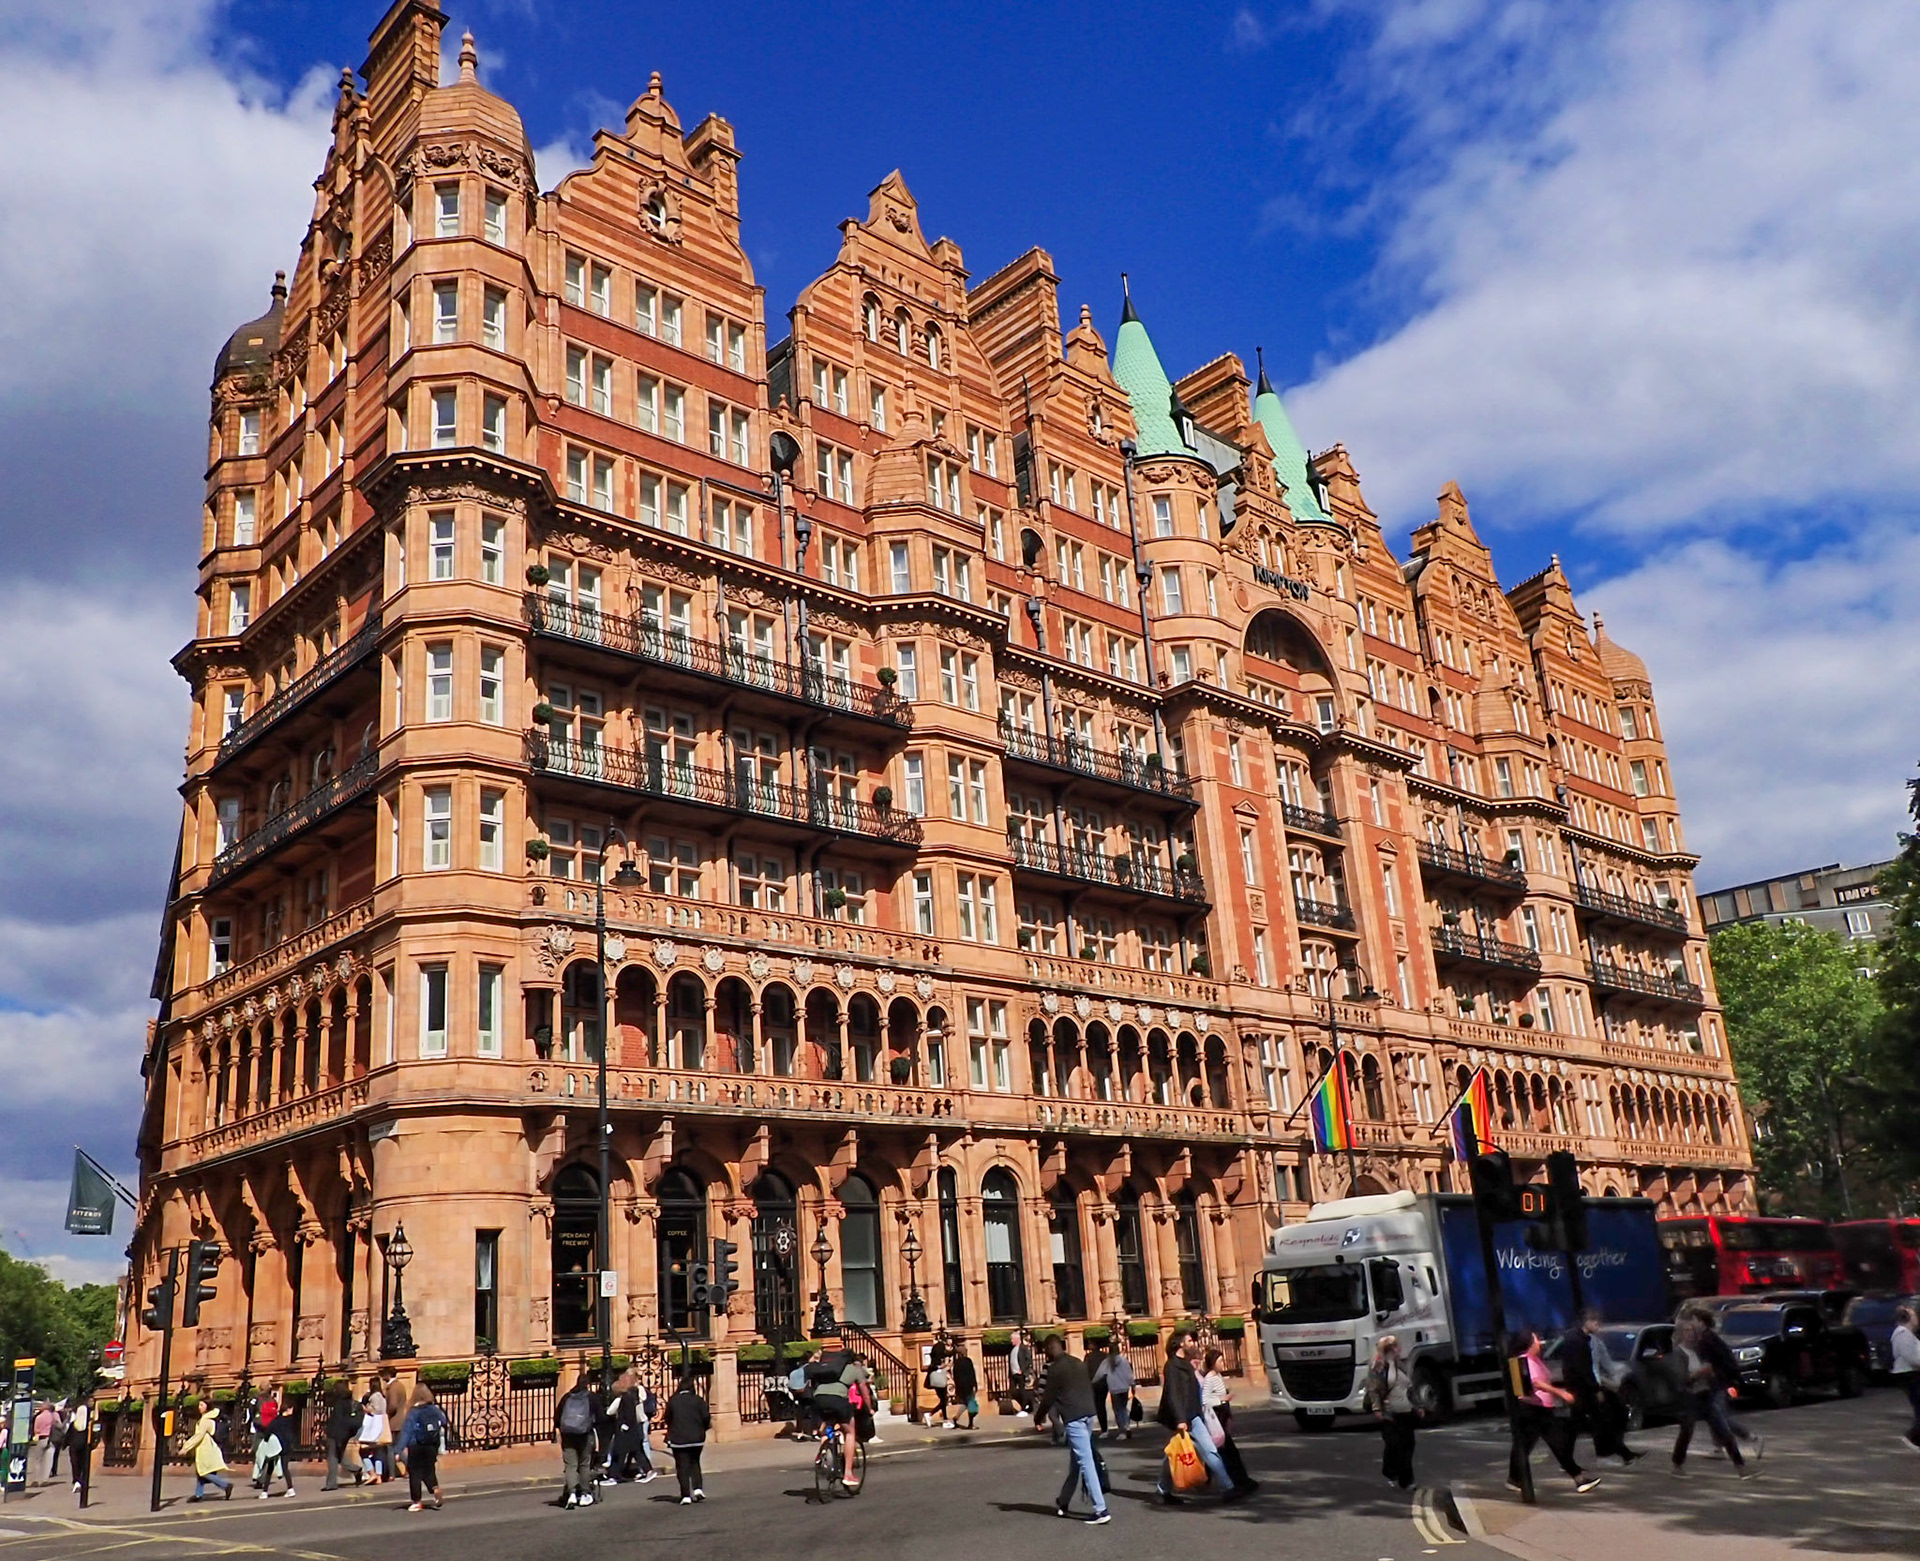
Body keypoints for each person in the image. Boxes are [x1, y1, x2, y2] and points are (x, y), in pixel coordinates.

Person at [1508, 1332, 1601, 1495]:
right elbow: (1537, 1383)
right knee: (1556, 1443)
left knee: (1524, 1446)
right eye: (1536, 1339)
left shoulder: (1534, 1359)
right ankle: (1579, 1479)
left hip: (1538, 1408)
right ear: (1530, 1343)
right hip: (1534, 1410)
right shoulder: (1527, 1360)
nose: (1540, 1342)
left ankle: (1513, 1479)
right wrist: (1561, 1393)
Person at [1032, 1335, 1111, 1525]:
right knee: (1077, 1462)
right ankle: (1064, 1500)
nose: (1045, 1354)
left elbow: (1048, 1398)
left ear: (1050, 1348)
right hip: (1088, 1414)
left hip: (1074, 1417)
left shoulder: (1055, 1369)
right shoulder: (1078, 1362)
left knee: (1086, 1462)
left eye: (1045, 1350)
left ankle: (1101, 1510)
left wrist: (1038, 1417)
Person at [1155, 1328, 1239, 1505]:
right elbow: (1173, 1394)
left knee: (1173, 1453)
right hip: (1186, 1417)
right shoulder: (1172, 1366)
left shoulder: (1184, 1364)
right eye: (1190, 1341)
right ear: (1180, 1343)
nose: (1192, 1344)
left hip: (1192, 1415)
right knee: (1210, 1451)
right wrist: (1180, 1420)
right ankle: (1228, 1487)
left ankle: (1163, 1490)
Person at [1669, 1308, 1755, 1478]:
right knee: (1686, 1432)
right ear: (1681, 1334)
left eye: (1692, 1331)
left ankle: (1741, 1468)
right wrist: (1698, 1374)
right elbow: (1680, 1379)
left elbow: (1713, 1367)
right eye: (1687, 1331)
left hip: (1705, 1396)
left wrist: (1711, 1374)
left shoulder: (1700, 1349)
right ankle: (1677, 1464)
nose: (1691, 1335)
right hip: (1689, 1399)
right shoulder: (1679, 1353)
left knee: (1724, 1431)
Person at [1560, 1310, 1640, 1466]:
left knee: (1594, 1422)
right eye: (1596, 1322)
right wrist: (1596, 1388)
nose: (1598, 1326)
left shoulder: (1579, 1339)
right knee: (1592, 1423)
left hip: (1581, 1388)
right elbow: (1584, 1368)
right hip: (1583, 1389)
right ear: (1587, 1321)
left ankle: (1621, 1454)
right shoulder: (1579, 1341)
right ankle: (1616, 1455)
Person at [1201, 1347, 1257, 1493]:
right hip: (1217, 1417)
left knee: (1225, 1451)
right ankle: (1238, 1481)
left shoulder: (1218, 1376)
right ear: (1213, 1362)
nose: (1223, 1363)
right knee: (1227, 1451)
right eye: (1220, 1361)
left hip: (1223, 1415)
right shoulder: (1210, 1378)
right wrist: (1221, 1400)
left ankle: (1238, 1480)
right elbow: (1205, 1400)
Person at [1366, 1335, 1419, 1491]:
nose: (1400, 1349)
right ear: (1390, 1349)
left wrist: (1418, 1406)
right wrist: (1377, 1408)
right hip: (1390, 1413)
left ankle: (1403, 1478)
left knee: (1408, 1445)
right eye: (1397, 1347)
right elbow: (1373, 1389)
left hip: (1406, 1411)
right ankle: (1397, 1476)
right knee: (1394, 1445)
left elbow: (1410, 1389)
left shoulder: (1401, 1365)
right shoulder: (1378, 1366)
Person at [397, 1382, 447, 1512]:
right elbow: (444, 1421)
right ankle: (435, 1489)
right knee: (429, 1470)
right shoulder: (434, 1409)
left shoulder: (414, 1412)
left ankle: (417, 1501)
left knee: (415, 1473)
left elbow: (407, 1431)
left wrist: (399, 1449)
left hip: (416, 1445)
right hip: (431, 1445)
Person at [555, 1371, 598, 1509]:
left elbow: (557, 1417)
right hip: (585, 1434)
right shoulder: (592, 1398)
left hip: (568, 1434)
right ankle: (585, 1493)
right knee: (584, 1464)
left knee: (570, 1465)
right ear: (588, 1384)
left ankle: (572, 1493)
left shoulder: (567, 1397)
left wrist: (560, 1429)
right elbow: (601, 1417)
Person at [664, 1374, 710, 1504]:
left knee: (682, 1466)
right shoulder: (699, 1400)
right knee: (695, 1462)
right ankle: (698, 1488)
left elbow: (668, 1418)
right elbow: (706, 1418)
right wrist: (702, 1429)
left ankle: (685, 1495)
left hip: (679, 1438)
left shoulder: (673, 1401)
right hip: (697, 1437)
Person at [182, 1398, 234, 1502]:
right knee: (200, 1472)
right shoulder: (207, 1418)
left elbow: (199, 1436)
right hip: (204, 1447)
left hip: (206, 1449)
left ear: (207, 1406)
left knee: (204, 1472)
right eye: (199, 1405)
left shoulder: (205, 1420)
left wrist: (186, 1448)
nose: (199, 1407)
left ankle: (225, 1485)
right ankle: (198, 1494)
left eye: (202, 1405)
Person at [252, 1383, 295, 1499]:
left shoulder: (277, 1420)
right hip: (286, 1446)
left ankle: (264, 1491)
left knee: (270, 1467)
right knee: (285, 1468)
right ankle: (290, 1489)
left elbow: (269, 1430)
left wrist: (266, 1439)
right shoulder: (290, 1420)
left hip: (275, 1446)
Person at [322, 1380, 364, 1491]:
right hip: (345, 1434)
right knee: (339, 1458)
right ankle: (356, 1470)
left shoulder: (339, 1403)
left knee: (332, 1458)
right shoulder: (349, 1401)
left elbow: (338, 1421)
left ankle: (331, 1484)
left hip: (336, 1434)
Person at [1891, 1304, 1920, 1452]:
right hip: (1910, 1374)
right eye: (1914, 1315)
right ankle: (1913, 1437)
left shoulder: (1907, 1334)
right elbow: (1913, 1358)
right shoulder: (1902, 1334)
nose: (1917, 1318)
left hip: (1912, 1373)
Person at [66, 1399, 94, 1505]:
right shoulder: (88, 1425)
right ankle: (79, 1480)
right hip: (83, 1447)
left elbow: (68, 1435)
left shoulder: (76, 1424)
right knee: (81, 1464)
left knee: (75, 1464)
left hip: (75, 1447)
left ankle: (77, 1480)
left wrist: (65, 1445)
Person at [1104, 1346, 1135, 1440]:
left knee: (1117, 1410)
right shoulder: (1124, 1360)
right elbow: (1129, 1374)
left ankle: (1122, 1430)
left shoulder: (1107, 1362)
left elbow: (1100, 1373)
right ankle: (1127, 1426)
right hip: (1124, 1388)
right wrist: (1132, 1384)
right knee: (1123, 1408)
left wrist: (1093, 1381)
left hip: (1114, 1388)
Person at [951, 1343, 980, 1430]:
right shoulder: (968, 1361)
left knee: (965, 1403)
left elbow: (955, 1376)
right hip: (969, 1385)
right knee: (971, 1404)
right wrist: (975, 1385)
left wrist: (957, 1387)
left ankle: (956, 1417)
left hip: (960, 1387)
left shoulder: (956, 1363)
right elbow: (972, 1374)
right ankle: (971, 1424)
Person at [928, 1336, 953, 1428]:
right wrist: (943, 1366)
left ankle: (945, 1419)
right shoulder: (939, 1352)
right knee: (944, 1400)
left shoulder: (936, 1350)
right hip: (939, 1378)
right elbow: (934, 1366)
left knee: (943, 1399)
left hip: (938, 1378)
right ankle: (932, 1415)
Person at [1009, 1329, 1036, 1416]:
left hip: (1021, 1373)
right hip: (1014, 1374)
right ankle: (1021, 1405)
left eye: (1012, 1339)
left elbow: (1028, 1360)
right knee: (1012, 1391)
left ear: (1016, 1339)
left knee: (1022, 1391)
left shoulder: (1023, 1348)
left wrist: (1022, 1369)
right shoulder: (1012, 1349)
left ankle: (1024, 1407)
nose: (1011, 1341)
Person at [32, 1401, 58, 1481]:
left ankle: (37, 1478)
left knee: (38, 1459)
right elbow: (59, 1425)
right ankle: (45, 1479)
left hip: (42, 1438)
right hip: (52, 1439)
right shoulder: (54, 1416)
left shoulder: (39, 1417)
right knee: (49, 1460)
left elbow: (36, 1430)